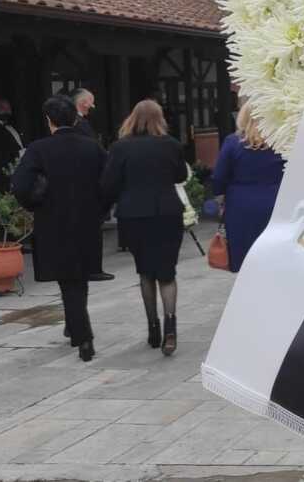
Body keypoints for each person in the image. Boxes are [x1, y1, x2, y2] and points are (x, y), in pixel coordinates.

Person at [11, 96, 107, 362]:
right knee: (79, 277)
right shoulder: (92, 147)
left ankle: (83, 335)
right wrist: (101, 209)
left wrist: (34, 204)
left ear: (49, 120)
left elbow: (20, 185)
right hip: (87, 221)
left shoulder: (39, 149)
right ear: (74, 119)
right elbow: (110, 181)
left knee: (68, 279)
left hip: (53, 221)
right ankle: (75, 327)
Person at [102, 100, 187, 356]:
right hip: (167, 213)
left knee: (146, 272)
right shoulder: (171, 144)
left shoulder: (120, 147)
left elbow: (109, 183)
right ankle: (171, 328)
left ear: (132, 118)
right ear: (160, 118)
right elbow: (181, 176)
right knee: (167, 273)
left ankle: (153, 327)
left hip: (134, 215)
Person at [212, 103, 285, 272]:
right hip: (275, 203)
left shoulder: (233, 142)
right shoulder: (281, 143)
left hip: (240, 207)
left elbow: (219, 177)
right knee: (273, 257)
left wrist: (219, 197)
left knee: (244, 257)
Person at [68, 88, 113, 282]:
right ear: (83, 102)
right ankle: (92, 268)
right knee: (91, 228)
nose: (93, 106)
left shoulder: (76, 122)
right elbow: (92, 149)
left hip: (79, 182)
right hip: (87, 181)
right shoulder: (79, 124)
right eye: (91, 101)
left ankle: (85, 266)